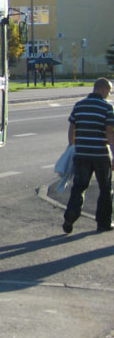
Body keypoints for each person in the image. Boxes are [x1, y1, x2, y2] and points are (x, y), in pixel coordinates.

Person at [64, 77, 114, 233]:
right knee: (105, 189)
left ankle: (70, 216)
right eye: (109, 91)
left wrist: (72, 146)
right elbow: (110, 133)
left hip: (82, 154)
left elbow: (72, 128)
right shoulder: (107, 107)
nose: (109, 95)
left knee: (79, 187)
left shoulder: (79, 105)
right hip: (100, 155)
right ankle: (103, 223)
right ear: (103, 89)